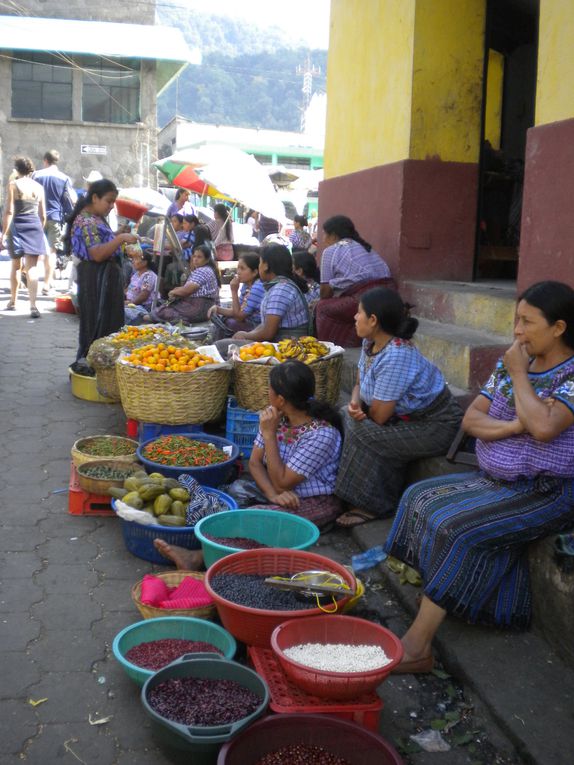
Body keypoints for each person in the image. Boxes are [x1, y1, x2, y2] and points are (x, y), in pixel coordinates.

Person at [384, 281, 574, 674]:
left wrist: (520, 377)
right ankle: (444, 596)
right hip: (498, 478)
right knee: (418, 496)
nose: (517, 331)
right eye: (516, 320)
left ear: (558, 327)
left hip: (549, 492)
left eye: (527, 322)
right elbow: (473, 420)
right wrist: (512, 426)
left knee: (462, 530)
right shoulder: (511, 363)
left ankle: (418, 647)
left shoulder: (561, 373)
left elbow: (544, 429)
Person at [152, 360, 344, 570]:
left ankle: (198, 557)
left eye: (269, 389)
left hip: (311, 500)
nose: (266, 392)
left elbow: (283, 483)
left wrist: (269, 435)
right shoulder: (276, 417)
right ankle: (215, 541)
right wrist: (272, 494)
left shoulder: (321, 434)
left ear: (280, 399)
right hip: (277, 489)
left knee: (258, 522)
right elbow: (254, 463)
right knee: (229, 497)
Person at [335, 287, 463, 526]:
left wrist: (359, 412)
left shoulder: (396, 355)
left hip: (436, 425)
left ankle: (373, 504)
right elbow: (360, 384)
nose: (354, 317)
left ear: (373, 320)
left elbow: (380, 417)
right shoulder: (370, 344)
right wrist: (354, 402)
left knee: (359, 429)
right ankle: (353, 495)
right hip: (403, 419)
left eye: (359, 312)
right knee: (346, 414)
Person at [66, 178, 138, 369]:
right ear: (95, 198)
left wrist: (115, 234)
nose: (112, 206)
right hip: (96, 279)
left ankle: (104, 369)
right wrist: (121, 238)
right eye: (109, 201)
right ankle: (97, 369)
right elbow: (97, 253)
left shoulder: (95, 217)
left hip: (102, 277)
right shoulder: (87, 220)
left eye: (114, 201)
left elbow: (99, 242)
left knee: (107, 325)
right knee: (98, 326)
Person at [316, 215, 394, 347]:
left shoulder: (330, 251)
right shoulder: (364, 247)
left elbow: (325, 292)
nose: (323, 239)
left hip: (366, 298)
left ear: (334, 235)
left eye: (325, 235)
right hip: (389, 295)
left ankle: (330, 346)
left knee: (321, 307)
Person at [231, 243, 309, 343]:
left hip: (287, 346)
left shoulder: (280, 290)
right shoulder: (278, 286)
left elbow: (268, 333)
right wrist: (248, 334)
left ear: (266, 266)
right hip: (278, 342)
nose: (259, 267)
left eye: (260, 263)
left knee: (223, 347)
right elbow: (265, 324)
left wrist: (246, 335)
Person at [2, 157, 46, 318]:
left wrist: (4, 233)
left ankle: (13, 301)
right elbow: (43, 215)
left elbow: (9, 211)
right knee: (32, 268)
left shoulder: (13, 185)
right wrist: (39, 231)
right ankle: (33, 306)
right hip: (34, 225)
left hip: (17, 226)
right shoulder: (39, 187)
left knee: (15, 266)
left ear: (17, 169)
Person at [32, 149, 77, 294]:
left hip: (37, 217)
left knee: (34, 252)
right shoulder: (64, 178)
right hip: (55, 218)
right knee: (52, 251)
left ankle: (30, 282)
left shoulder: (36, 175)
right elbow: (70, 200)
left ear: (45, 160)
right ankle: (47, 283)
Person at [152, 242, 220, 324]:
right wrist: (177, 290)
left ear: (207, 259)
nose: (195, 259)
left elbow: (187, 290)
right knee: (165, 307)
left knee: (164, 311)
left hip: (199, 309)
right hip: (204, 308)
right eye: (194, 256)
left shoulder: (202, 271)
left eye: (199, 257)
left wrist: (173, 292)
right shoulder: (206, 269)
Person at [208, 252, 265, 339]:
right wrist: (218, 309)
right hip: (247, 321)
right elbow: (237, 310)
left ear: (254, 272)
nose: (238, 272)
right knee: (222, 320)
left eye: (242, 268)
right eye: (238, 268)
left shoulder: (257, 287)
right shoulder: (246, 285)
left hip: (257, 327)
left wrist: (234, 291)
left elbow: (239, 317)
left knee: (230, 323)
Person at [124, 246, 157, 325]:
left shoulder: (148, 276)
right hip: (133, 303)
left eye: (136, 259)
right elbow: (129, 289)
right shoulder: (136, 275)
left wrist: (130, 304)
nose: (133, 261)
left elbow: (144, 295)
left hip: (144, 306)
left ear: (145, 262)